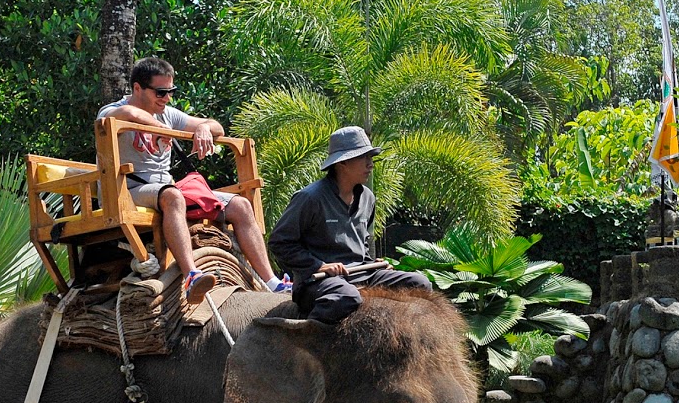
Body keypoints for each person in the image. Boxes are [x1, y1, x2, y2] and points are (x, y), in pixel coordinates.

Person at [98, 57, 289, 303]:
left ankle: (272, 282)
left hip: (163, 188)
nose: (166, 98)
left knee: (241, 205)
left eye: (171, 92)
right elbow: (128, 113)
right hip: (127, 189)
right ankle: (191, 276)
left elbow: (217, 126)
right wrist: (159, 129)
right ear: (137, 88)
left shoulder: (167, 113)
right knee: (172, 195)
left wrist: (203, 128)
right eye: (160, 92)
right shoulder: (111, 110)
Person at [268, 126, 432, 324]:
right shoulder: (310, 198)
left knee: (420, 284)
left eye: (371, 158)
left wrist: (373, 263)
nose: (370, 165)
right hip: (318, 282)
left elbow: (361, 243)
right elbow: (279, 243)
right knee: (346, 297)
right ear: (343, 163)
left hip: (361, 274)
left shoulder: (368, 198)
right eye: (364, 158)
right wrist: (319, 265)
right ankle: (308, 338)